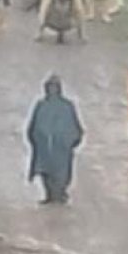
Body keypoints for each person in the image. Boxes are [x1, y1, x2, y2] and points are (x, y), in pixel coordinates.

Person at [26, 75, 84, 205]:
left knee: (49, 172)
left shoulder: (44, 105)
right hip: (57, 147)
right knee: (58, 172)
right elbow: (76, 129)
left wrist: (35, 141)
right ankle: (56, 195)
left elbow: (31, 128)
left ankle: (54, 195)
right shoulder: (65, 105)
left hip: (48, 147)